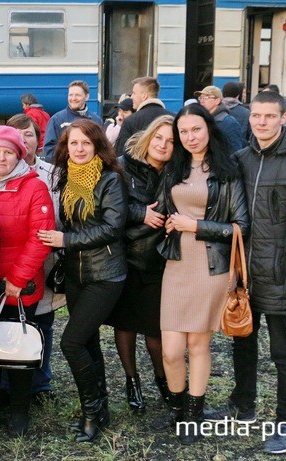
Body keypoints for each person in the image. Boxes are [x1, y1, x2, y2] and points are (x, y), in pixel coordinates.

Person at [206, 89, 286, 454]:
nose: (261, 122)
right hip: (246, 274)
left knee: (283, 353)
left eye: (269, 116)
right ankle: (242, 405)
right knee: (242, 341)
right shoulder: (241, 159)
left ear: (283, 118)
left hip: (283, 275)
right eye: (256, 116)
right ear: (250, 118)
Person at [150, 103, 248, 444]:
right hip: (176, 264)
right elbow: (162, 209)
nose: (190, 137)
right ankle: (176, 407)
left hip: (211, 265)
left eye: (196, 129)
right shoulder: (173, 167)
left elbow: (241, 227)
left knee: (198, 343)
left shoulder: (227, 168)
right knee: (171, 350)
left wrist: (195, 225)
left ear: (209, 129)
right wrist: (154, 217)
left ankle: (192, 415)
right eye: (184, 132)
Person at [37, 119, 128, 443]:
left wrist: (65, 241)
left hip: (105, 273)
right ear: (65, 147)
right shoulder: (66, 177)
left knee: (71, 342)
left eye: (85, 144)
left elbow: (112, 227)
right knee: (87, 343)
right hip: (75, 274)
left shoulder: (110, 179)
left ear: (97, 146)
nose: (79, 149)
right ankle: (100, 409)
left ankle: (92, 412)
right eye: (73, 143)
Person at [0, 125, 55, 436]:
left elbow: (40, 237)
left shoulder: (34, 187)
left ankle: (20, 407)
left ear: (18, 154)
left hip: (19, 282)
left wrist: (17, 278)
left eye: (8, 151)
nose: (1, 157)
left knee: (18, 344)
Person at [105, 115, 175, 413]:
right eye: (159, 137)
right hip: (128, 255)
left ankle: (163, 379)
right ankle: (131, 380)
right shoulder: (123, 165)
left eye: (171, 141)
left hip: (162, 260)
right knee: (125, 324)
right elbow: (111, 204)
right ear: (148, 137)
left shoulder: (178, 173)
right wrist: (140, 213)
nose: (163, 145)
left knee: (156, 329)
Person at [6, 114, 63, 400]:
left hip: (46, 262)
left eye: (28, 134)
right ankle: (7, 381)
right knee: (8, 323)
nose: (23, 140)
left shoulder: (52, 174)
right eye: (17, 135)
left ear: (37, 139)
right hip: (10, 264)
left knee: (42, 323)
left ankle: (41, 381)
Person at [43, 80, 104, 161]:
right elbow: (49, 150)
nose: (73, 98)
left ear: (87, 96)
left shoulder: (96, 120)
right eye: (70, 95)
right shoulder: (57, 120)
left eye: (77, 95)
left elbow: (102, 147)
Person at [114, 77, 172, 154]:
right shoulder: (173, 119)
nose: (131, 97)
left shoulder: (130, 121)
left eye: (134, 93)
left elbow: (120, 154)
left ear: (144, 96)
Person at [196, 85, 246, 151]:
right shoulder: (200, 120)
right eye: (200, 98)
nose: (202, 101)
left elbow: (235, 152)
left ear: (217, 101)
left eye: (206, 97)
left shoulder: (229, 123)